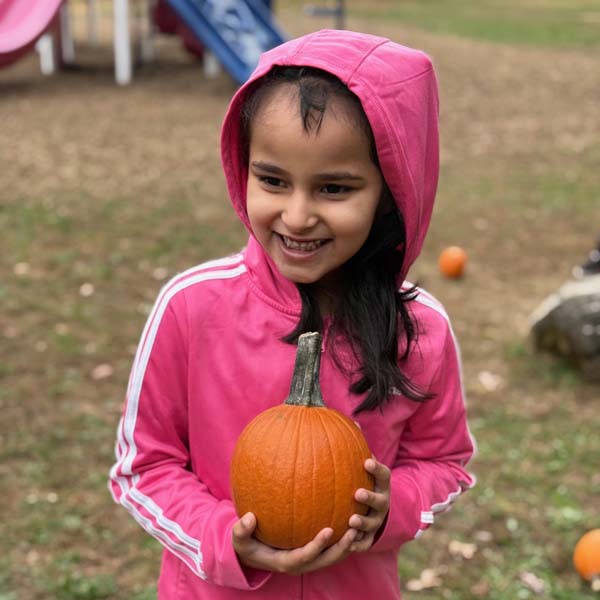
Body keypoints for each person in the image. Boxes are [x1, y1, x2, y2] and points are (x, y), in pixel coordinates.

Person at [108, 29, 476, 599]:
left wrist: (393, 508)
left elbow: (445, 462)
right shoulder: (192, 306)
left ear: (391, 190)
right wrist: (218, 536)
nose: (297, 216)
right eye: (273, 180)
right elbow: (143, 468)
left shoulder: (419, 330)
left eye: (334, 188)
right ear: (243, 168)